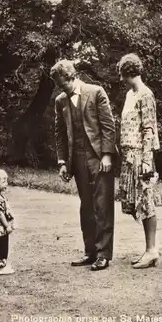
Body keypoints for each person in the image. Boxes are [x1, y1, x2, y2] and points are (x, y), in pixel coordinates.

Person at [50, 59, 116, 271]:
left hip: (98, 158)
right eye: (59, 86)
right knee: (86, 206)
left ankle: (104, 254)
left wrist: (107, 155)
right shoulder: (61, 101)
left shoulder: (96, 92)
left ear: (71, 77)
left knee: (102, 205)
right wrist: (62, 162)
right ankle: (90, 252)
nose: (62, 89)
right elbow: (59, 133)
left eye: (63, 84)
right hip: (76, 159)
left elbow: (108, 126)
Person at [118, 53, 160, 269]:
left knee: (146, 201)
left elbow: (149, 128)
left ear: (128, 72)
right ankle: (148, 250)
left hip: (141, 157)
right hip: (129, 156)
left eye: (123, 74)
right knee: (138, 203)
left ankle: (152, 250)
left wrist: (146, 159)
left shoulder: (145, 94)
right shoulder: (130, 94)